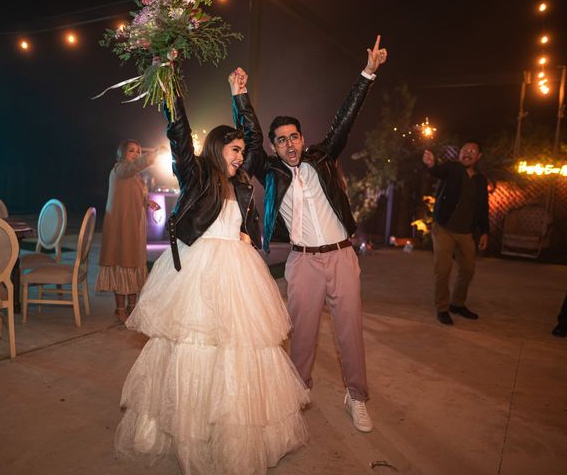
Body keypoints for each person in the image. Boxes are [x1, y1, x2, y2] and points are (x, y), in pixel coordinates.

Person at [114, 69, 310, 475]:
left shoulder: (241, 184)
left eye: (241, 151)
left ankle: (233, 436)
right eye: (234, 149)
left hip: (237, 271)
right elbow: (179, 134)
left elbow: (256, 142)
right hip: (198, 271)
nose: (241, 156)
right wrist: (168, 83)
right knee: (192, 346)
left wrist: (240, 96)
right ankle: (186, 428)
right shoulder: (197, 173)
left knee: (240, 352)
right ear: (218, 147)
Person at [244, 36, 387, 433]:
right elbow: (251, 143)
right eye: (282, 140)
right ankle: (297, 390)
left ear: (303, 140)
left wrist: (368, 73)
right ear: (275, 146)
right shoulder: (270, 173)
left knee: (350, 332)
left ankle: (356, 397)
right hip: (303, 260)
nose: (289, 144)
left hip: (341, 256)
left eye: (294, 136)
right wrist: (241, 97)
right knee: (302, 334)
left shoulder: (322, 158)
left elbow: (346, 118)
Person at [422, 141, 489, 326]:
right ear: (460, 153)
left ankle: (457, 304)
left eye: (472, 151)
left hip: (466, 232)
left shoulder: (480, 180)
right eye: (464, 150)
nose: (467, 153)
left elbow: (483, 207)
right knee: (443, 270)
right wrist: (431, 164)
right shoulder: (452, 169)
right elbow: (437, 171)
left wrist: (484, 231)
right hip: (444, 228)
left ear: (479, 156)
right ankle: (442, 308)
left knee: (468, 269)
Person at [96, 140, 160, 323]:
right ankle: (120, 308)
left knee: (133, 266)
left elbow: (135, 194)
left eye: (139, 151)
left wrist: (147, 202)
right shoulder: (119, 170)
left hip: (135, 229)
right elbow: (134, 167)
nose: (136, 154)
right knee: (122, 265)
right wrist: (153, 155)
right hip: (121, 228)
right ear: (121, 153)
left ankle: (133, 307)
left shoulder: (136, 176)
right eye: (132, 150)